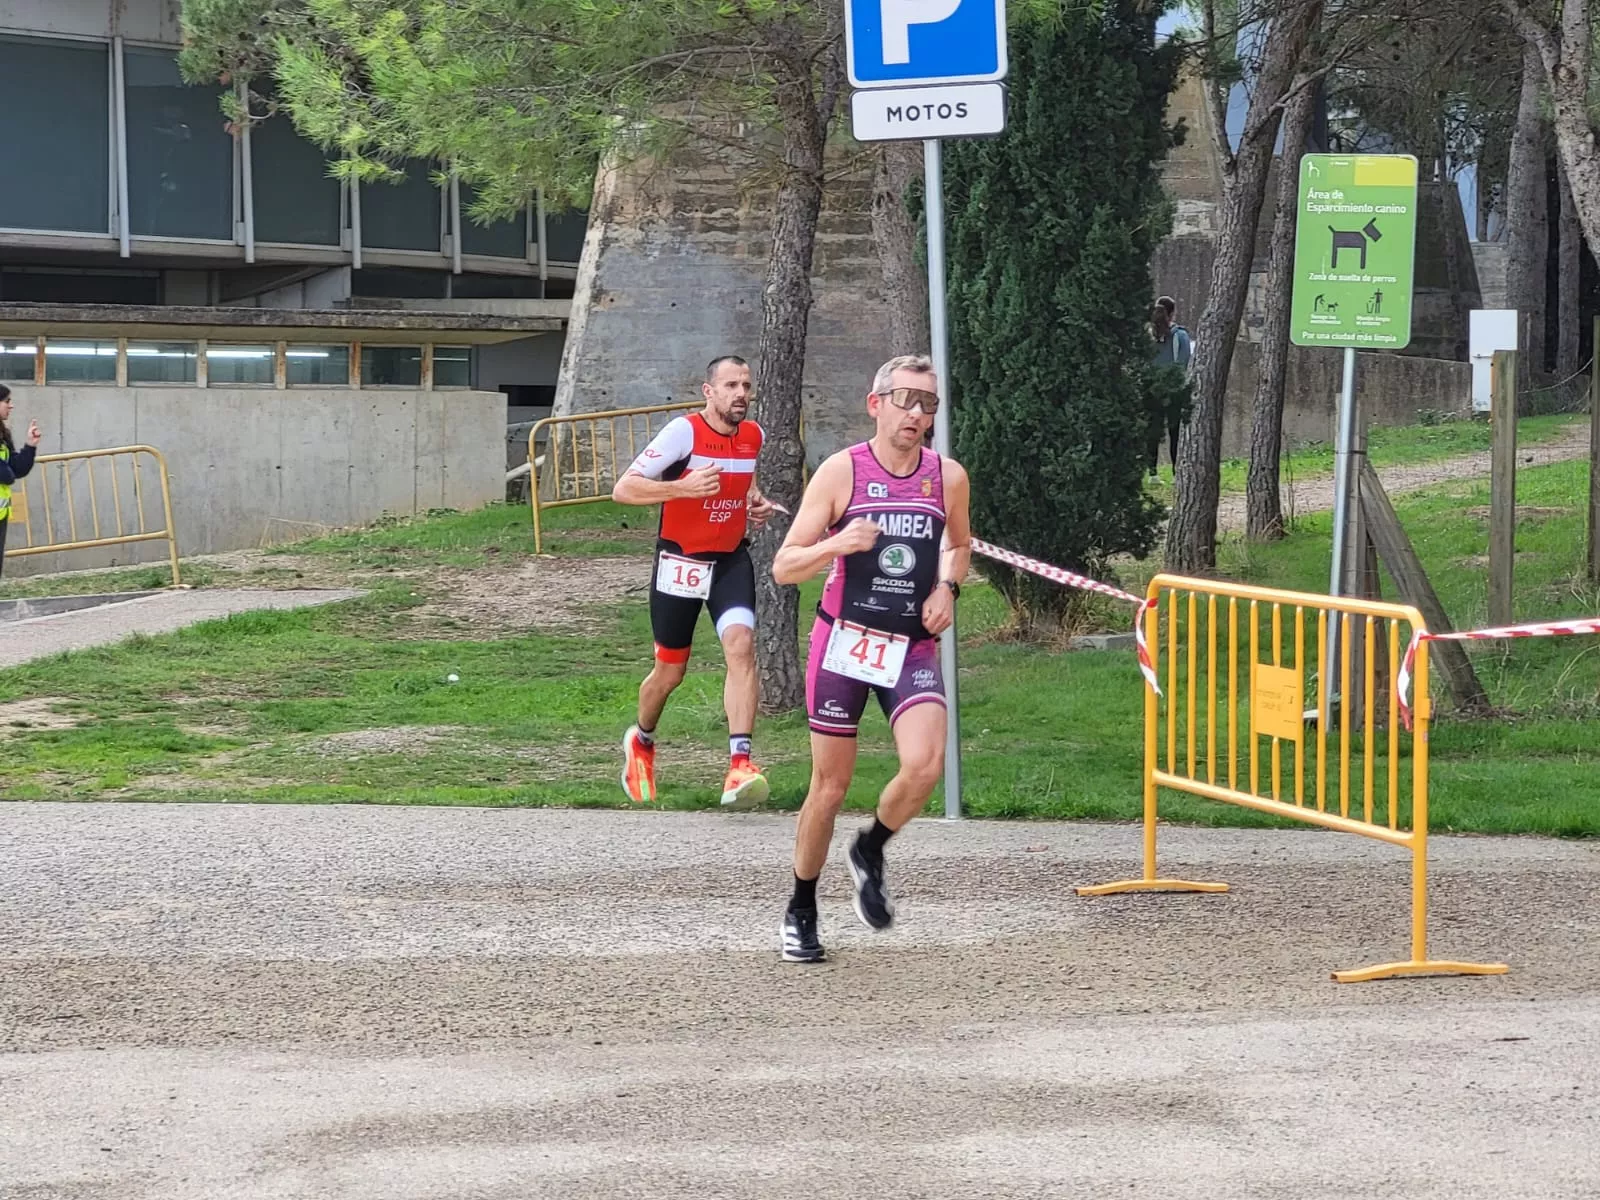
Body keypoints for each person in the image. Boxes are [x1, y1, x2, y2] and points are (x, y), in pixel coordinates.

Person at [770, 353, 972, 963]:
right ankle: (801, 906)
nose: (916, 414)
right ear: (875, 403)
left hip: (910, 642)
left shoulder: (948, 477)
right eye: (905, 399)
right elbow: (785, 565)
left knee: (925, 765)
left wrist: (948, 588)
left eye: (928, 403)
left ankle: (872, 847)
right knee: (829, 788)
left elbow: (959, 543)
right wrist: (838, 542)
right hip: (845, 642)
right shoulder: (841, 473)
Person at [611, 355, 776, 810]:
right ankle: (641, 741)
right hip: (680, 561)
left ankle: (740, 763)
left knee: (741, 647)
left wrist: (754, 503)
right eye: (730, 385)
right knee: (670, 672)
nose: (740, 393)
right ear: (709, 391)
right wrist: (682, 488)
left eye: (746, 385)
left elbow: (744, 486)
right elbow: (623, 489)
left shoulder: (752, 436)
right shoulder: (683, 433)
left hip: (729, 561)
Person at [1148, 295, 1193, 473]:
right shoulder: (1180, 335)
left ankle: (1152, 471)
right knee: (1175, 431)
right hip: (1174, 389)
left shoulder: (1149, 335)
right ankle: (1176, 470)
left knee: (1153, 429)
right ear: (1173, 313)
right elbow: (1184, 361)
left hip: (1151, 388)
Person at [0, 385, 40, 578]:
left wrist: (30, 446)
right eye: (7, 401)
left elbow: (16, 469)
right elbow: (6, 475)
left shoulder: (3, 434)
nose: (11, 406)